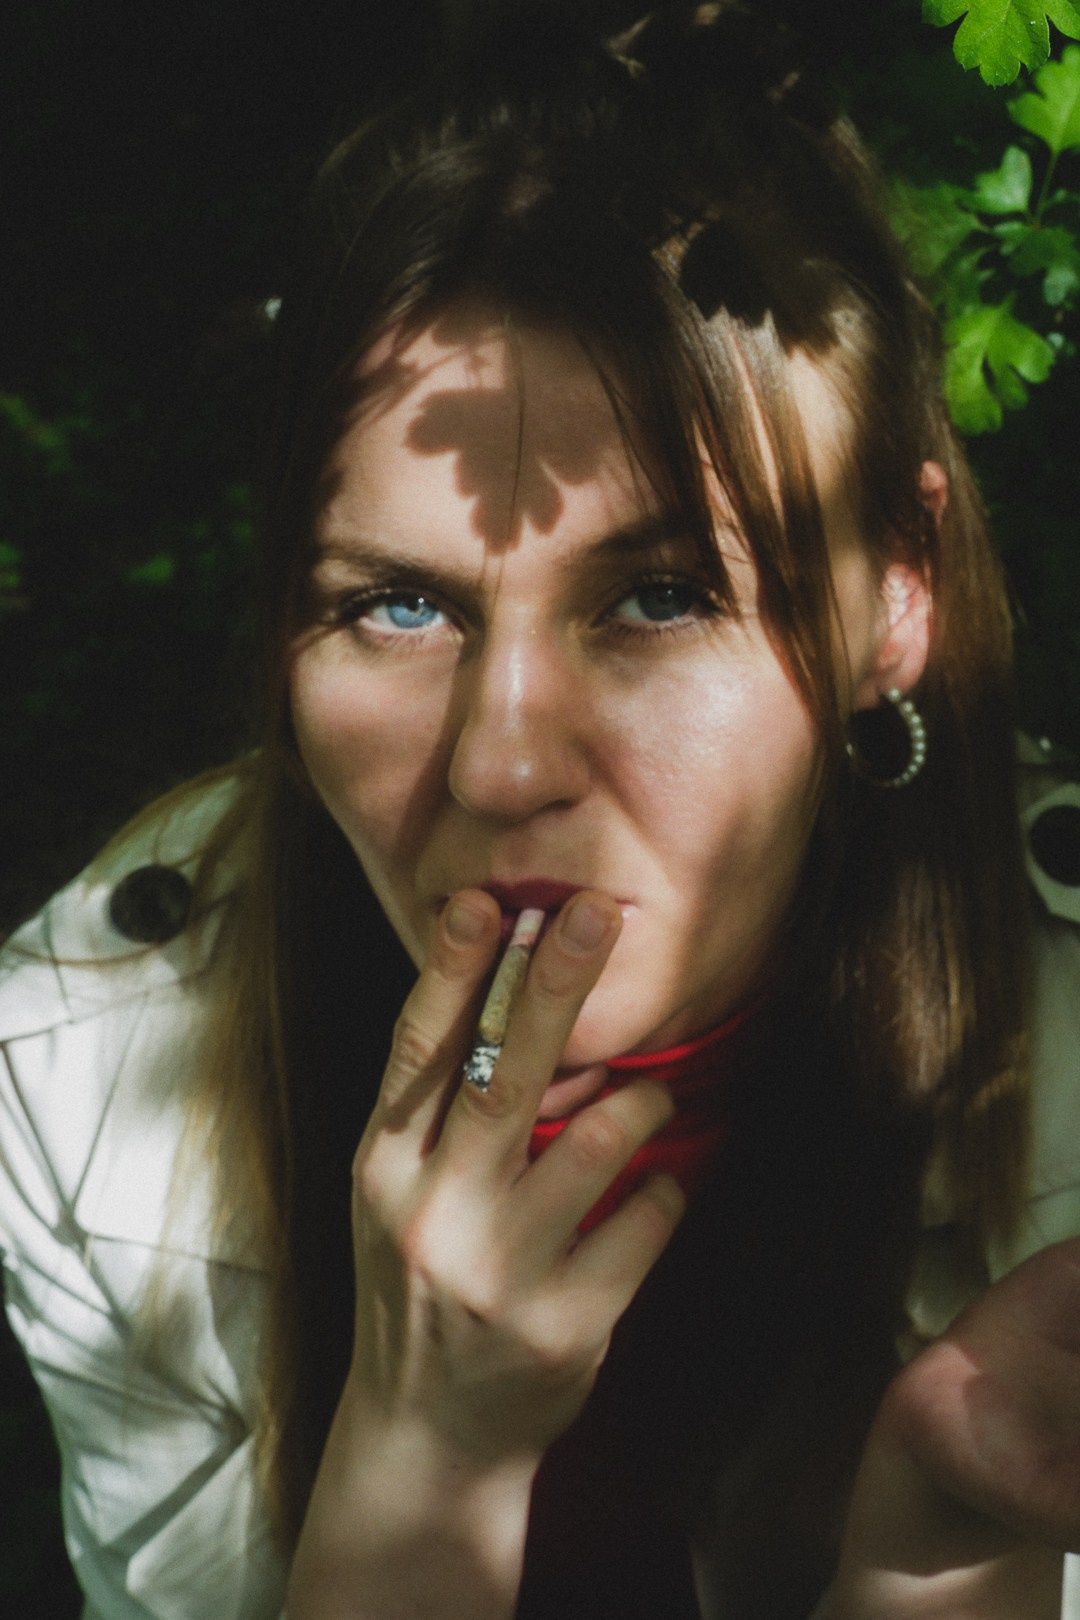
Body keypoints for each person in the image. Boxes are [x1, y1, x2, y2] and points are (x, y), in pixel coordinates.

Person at [2, 4, 1079, 1617]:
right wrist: (415, 1463)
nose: (500, 767)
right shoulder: (77, 1073)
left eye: (660, 597)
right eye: (397, 607)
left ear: (899, 592)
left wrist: (942, 1543)